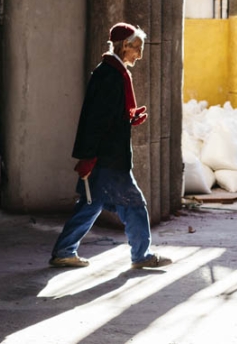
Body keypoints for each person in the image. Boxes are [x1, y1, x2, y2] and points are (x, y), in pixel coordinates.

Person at [49, 23, 173, 270]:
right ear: (124, 45)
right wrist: (88, 156)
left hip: (103, 157)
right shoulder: (111, 75)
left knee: (90, 204)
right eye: (137, 48)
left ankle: (64, 251)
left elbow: (106, 115)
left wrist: (129, 117)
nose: (139, 54)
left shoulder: (109, 71)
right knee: (134, 204)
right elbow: (96, 120)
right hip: (109, 159)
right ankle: (142, 255)